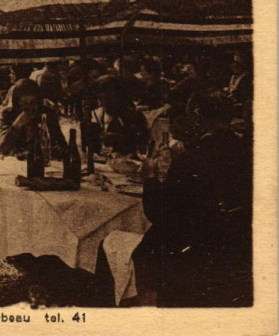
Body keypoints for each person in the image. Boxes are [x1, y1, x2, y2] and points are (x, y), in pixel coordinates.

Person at [133, 93, 251, 306]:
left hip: (192, 253)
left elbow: (159, 213)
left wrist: (150, 177)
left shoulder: (192, 159)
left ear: (197, 117)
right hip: (236, 247)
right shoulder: (246, 150)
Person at [0, 81, 66, 158]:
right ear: (17, 104)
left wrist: (53, 150)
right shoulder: (7, 114)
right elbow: (3, 148)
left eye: (33, 103)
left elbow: (64, 146)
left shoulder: (47, 113)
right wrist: (17, 125)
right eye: (25, 104)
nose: (30, 108)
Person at [91, 74, 148, 156]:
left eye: (108, 99)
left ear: (119, 96)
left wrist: (119, 138)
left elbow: (142, 146)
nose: (104, 103)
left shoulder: (133, 116)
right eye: (100, 99)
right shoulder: (99, 114)